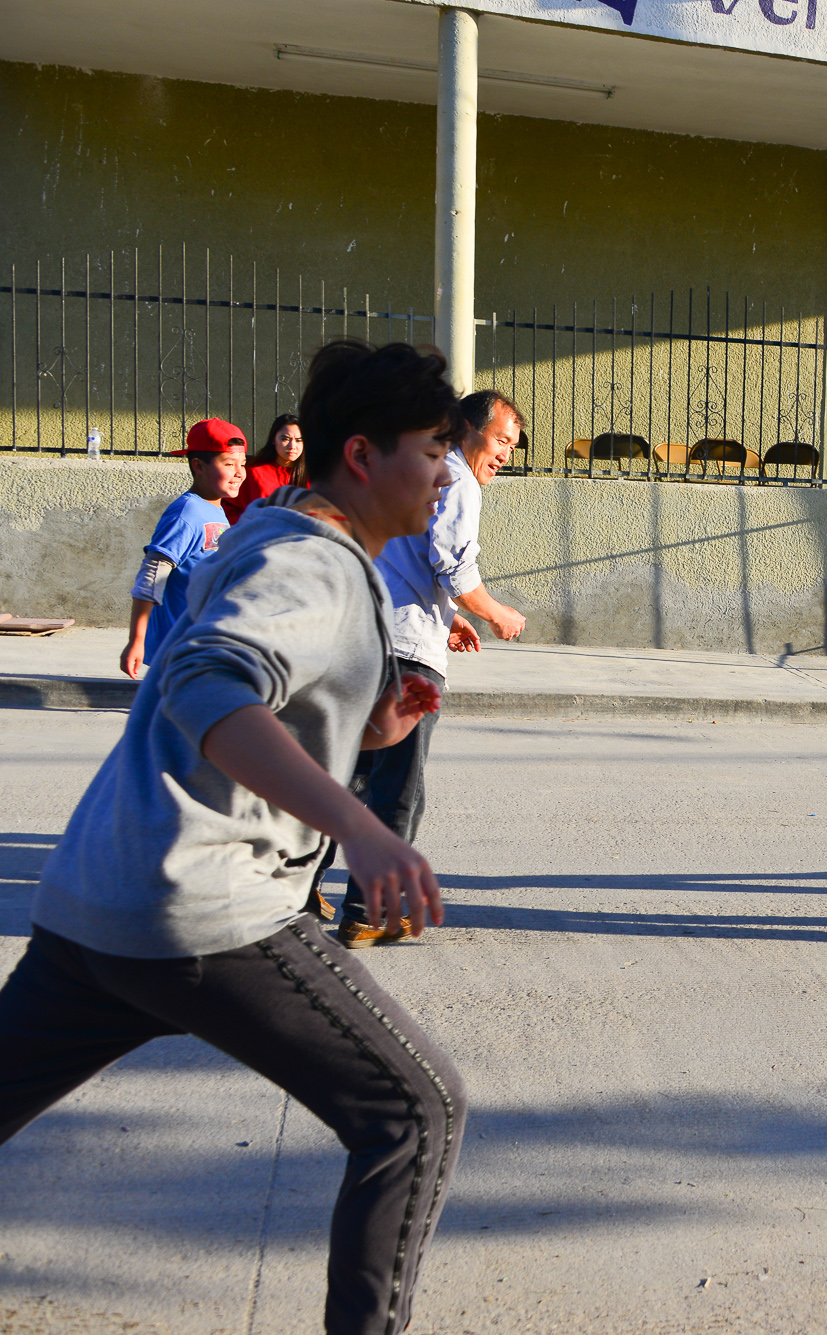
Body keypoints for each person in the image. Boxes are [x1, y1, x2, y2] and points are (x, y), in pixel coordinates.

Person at [0, 338, 469, 1335]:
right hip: (203, 915)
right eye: (431, 449)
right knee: (415, 1113)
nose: (446, 471)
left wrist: (371, 722)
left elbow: (252, 689)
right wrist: (364, 830)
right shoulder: (313, 564)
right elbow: (207, 684)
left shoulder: (267, 533)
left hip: (96, 902)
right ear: (361, 454)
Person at [319, 388, 528, 947]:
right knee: (398, 789)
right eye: (502, 439)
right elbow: (453, 563)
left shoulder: (418, 472)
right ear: (466, 428)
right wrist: (495, 614)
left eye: (513, 444)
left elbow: (408, 558)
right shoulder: (456, 477)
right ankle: (368, 909)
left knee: (352, 778)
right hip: (409, 654)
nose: (507, 453)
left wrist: (452, 615)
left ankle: (298, 887)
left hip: (371, 637)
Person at [119, 418, 246, 679]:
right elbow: (152, 576)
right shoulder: (186, 513)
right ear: (198, 466)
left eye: (242, 464)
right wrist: (137, 640)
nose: (239, 473)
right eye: (229, 464)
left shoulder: (215, 509)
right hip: (179, 653)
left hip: (205, 648)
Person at [225, 413, 306, 523]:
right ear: (273, 439)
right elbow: (226, 505)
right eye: (285, 439)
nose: (292, 446)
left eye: (298, 440)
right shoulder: (253, 471)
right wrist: (249, 524)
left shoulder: (314, 475)